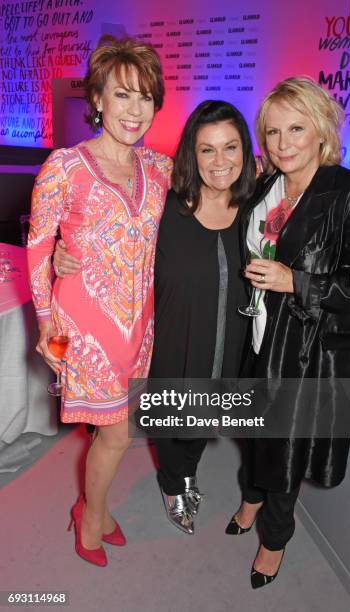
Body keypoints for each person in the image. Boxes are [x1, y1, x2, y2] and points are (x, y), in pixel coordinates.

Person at [54, 100, 256, 534]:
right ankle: (173, 480)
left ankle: (186, 470)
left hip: (232, 342)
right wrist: (64, 251)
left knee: (206, 417)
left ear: (245, 152)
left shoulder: (257, 209)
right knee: (175, 420)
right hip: (171, 340)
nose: (220, 161)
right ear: (191, 154)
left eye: (230, 147)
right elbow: (106, 236)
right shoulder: (165, 209)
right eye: (207, 150)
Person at [225, 76, 350, 589]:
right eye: (272, 132)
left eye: (296, 128)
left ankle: (274, 539)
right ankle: (250, 497)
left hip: (310, 347)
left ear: (321, 132)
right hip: (260, 332)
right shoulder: (266, 186)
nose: (283, 142)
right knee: (253, 428)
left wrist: (295, 281)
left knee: (285, 447)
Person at [27, 35, 172, 567]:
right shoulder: (65, 166)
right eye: (122, 95)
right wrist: (45, 323)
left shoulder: (159, 170)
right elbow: (39, 246)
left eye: (146, 97)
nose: (135, 110)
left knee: (120, 427)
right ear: (98, 100)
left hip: (141, 322)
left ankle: (92, 506)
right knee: (116, 431)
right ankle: (90, 518)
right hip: (84, 321)